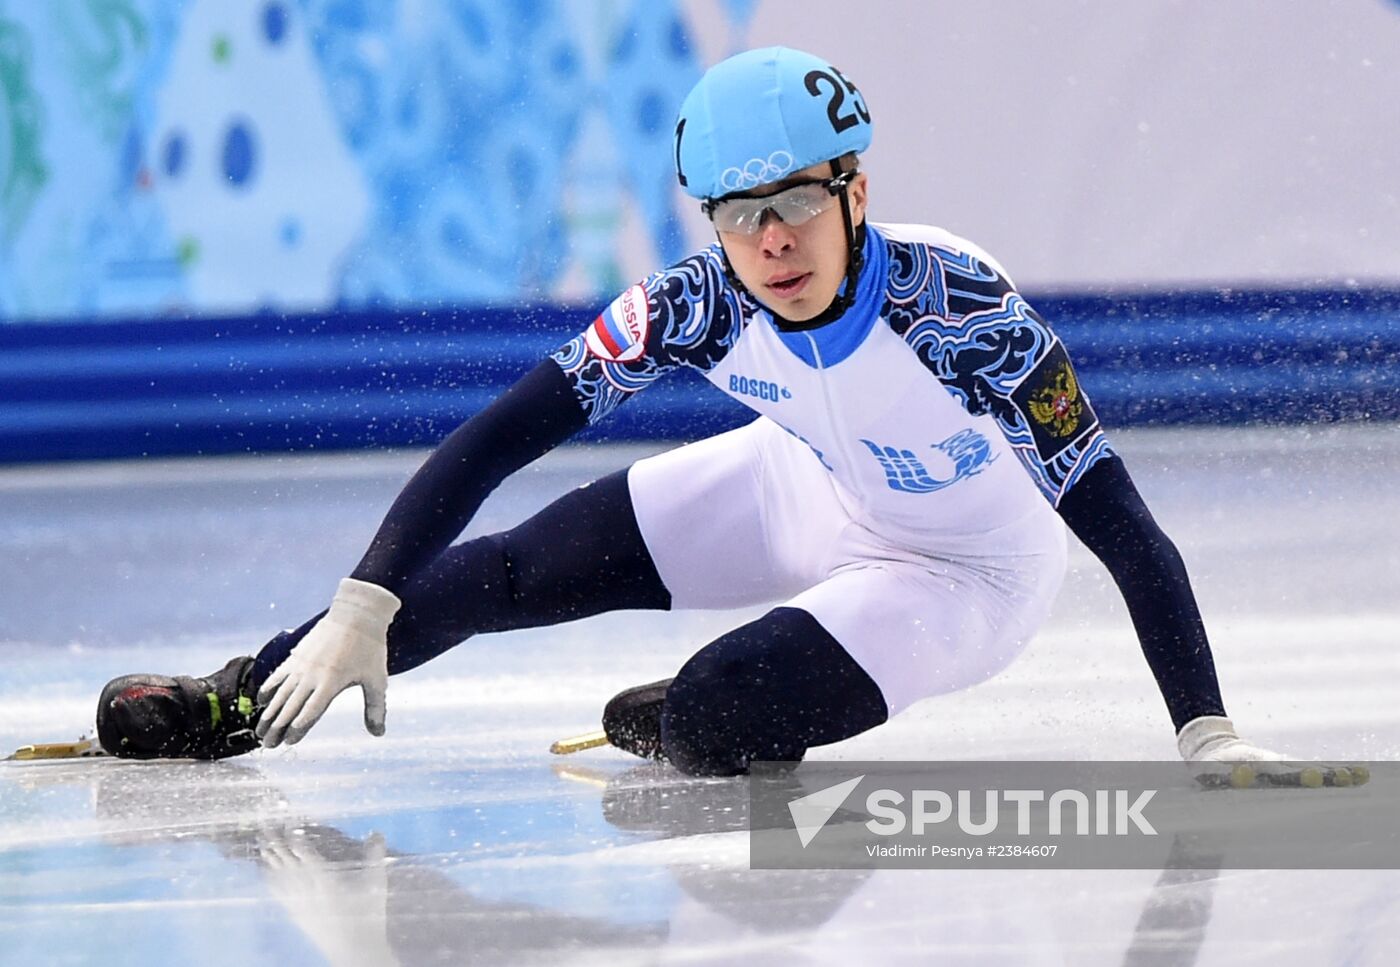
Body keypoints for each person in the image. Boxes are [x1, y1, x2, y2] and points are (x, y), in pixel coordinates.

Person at [95, 46, 1348, 785]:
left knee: (713, 716)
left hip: (964, 573)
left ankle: (707, 700)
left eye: (794, 204)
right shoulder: (692, 304)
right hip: (799, 485)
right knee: (500, 570)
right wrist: (364, 604)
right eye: (736, 216)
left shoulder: (963, 311)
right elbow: (496, 439)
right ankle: (230, 698)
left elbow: (1125, 530)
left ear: (856, 190)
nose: (768, 243)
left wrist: (1206, 732)